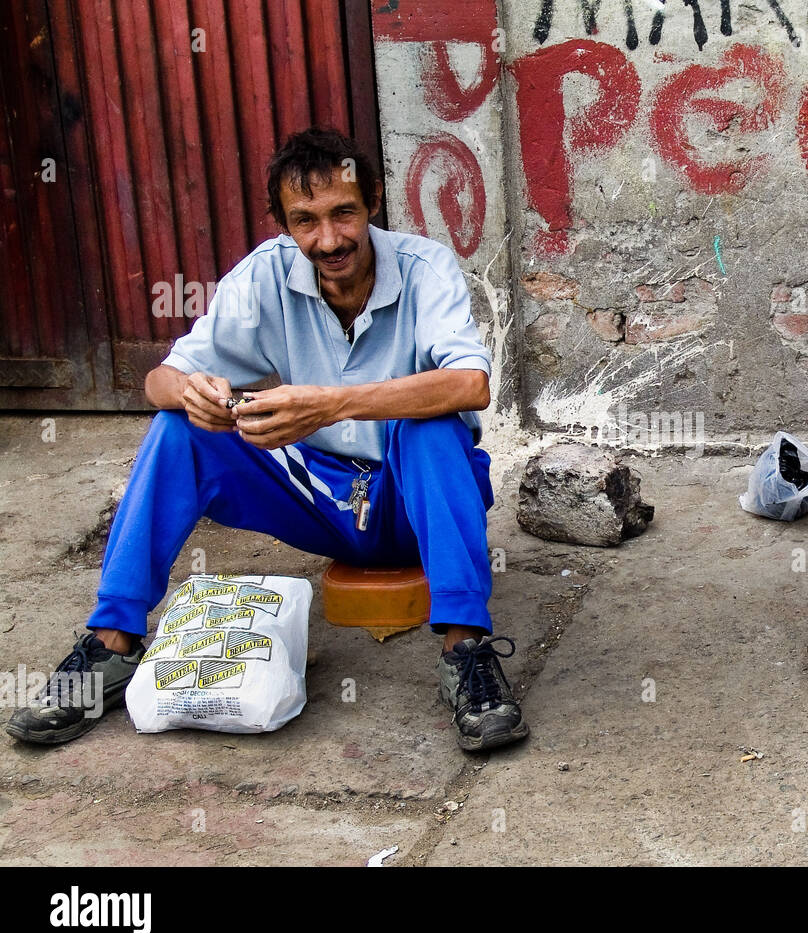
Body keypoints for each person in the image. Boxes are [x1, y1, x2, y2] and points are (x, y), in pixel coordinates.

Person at [7, 127, 527, 752]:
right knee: (178, 428)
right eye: (305, 221)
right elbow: (158, 379)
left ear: (374, 201)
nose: (329, 239)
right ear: (283, 223)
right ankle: (112, 640)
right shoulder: (262, 277)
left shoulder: (424, 268)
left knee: (432, 426)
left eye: (344, 214)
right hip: (320, 500)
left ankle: (466, 655)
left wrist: (329, 404)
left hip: (413, 502)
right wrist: (189, 393)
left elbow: (471, 384)